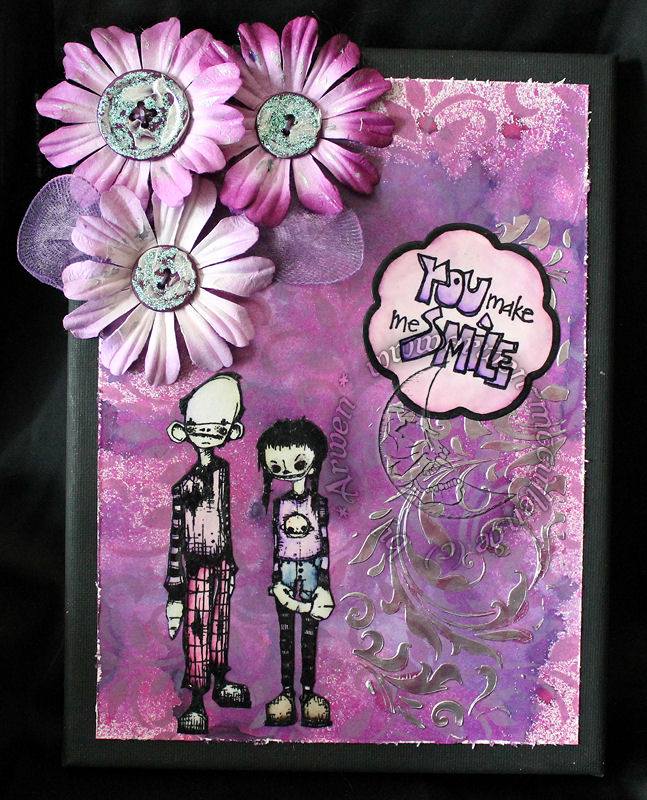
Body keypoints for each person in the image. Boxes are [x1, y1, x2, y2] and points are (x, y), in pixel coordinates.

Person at [164, 373, 251, 735]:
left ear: (232, 432)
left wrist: (230, 563)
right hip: (196, 566)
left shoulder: (222, 471)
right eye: (199, 428)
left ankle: (221, 681)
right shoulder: (185, 486)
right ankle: (197, 700)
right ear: (182, 430)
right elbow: (177, 534)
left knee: (220, 625)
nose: (208, 435)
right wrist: (174, 587)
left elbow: (224, 520)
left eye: (218, 429)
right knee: (197, 630)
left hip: (221, 563)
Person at [257, 418, 335, 728]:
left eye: (298, 462)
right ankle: (287, 693)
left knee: (309, 637)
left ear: (313, 461)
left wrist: (324, 586)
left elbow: (324, 547)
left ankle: (309, 693)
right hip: (287, 575)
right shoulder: (279, 505)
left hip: (313, 575)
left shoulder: (319, 505)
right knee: (286, 636)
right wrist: (277, 582)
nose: (288, 470)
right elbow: (277, 547)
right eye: (277, 465)